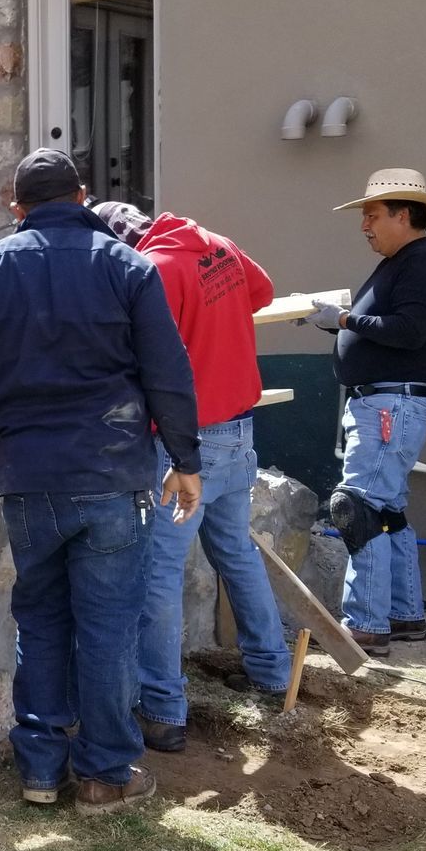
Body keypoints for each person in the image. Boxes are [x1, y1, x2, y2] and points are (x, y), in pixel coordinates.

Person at [0, 150, 203, 814]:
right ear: (83, 197)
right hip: (112, 476)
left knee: (42, 621)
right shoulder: (129, 268)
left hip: (28, 479)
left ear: (16, 208)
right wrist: (187, 461)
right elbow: (168, 373)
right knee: (109, 626)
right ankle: (105, 776)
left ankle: (40, 771)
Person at [97, 202, 290, 750]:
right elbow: (263, 292)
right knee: (235, 550)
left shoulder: (154, 268)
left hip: (187, 445)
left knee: (158, 572)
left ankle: (163, 708)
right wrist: (213, 327)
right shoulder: (213, 243)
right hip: (239, 430)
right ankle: (272, 672)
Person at [302, 169, 426, 656]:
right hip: (386, 399)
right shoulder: (405, 261)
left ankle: (366, 623)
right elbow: (389, 329)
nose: (364, 225)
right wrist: (341, 328)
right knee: (385, 508)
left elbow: (409, 330)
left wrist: (345, 318)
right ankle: (402, 614)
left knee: (358, 508)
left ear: (404, 215)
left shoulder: (423, 262)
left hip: (391, 401)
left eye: (372, 214)